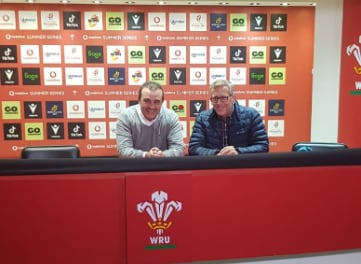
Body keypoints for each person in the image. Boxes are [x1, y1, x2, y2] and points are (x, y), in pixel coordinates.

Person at [188, 79, 269, 156]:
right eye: (215, 98)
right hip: (213, 167)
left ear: (233, 98)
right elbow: (194, 148)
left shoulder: (252, 115)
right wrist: (216, 154)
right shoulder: (202, 118)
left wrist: (238, 151)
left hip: (242, 166)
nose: (219, 103)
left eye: (223, 98)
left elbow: (262, 146)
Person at [116, 81, 185, 158]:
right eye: (147, 101)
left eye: (156, 102)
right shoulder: (126, 116)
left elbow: (179, 149)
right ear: (139, 100)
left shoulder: (171, 117)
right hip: (135, 168)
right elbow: (123, 151)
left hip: (163, 167)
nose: (152, 106)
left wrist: (163, 155)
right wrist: (146, 155)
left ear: (162, 102)